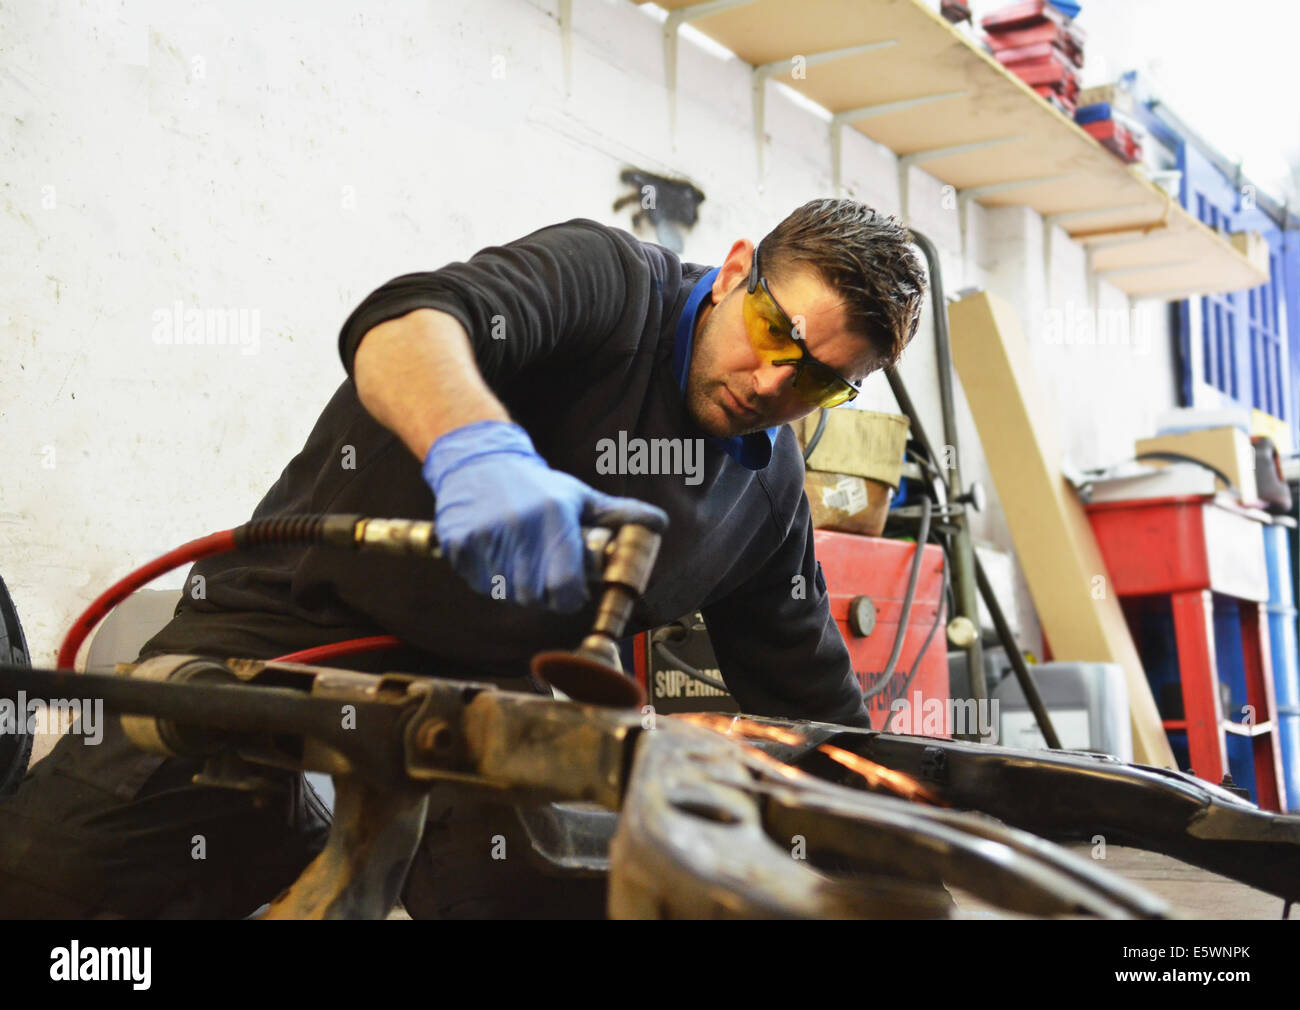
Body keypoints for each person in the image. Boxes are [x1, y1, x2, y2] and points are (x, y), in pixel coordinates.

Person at [0, 198, 927, 919]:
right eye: (776, 337)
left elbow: (812, 705)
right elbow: (409, 321)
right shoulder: (607, 283)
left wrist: (914, 850)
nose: (772, 383)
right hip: (275, 659)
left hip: (475, 732)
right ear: (734, 273)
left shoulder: (764, 496)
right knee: (49, 908)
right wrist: (479, 450)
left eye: (814, 380)